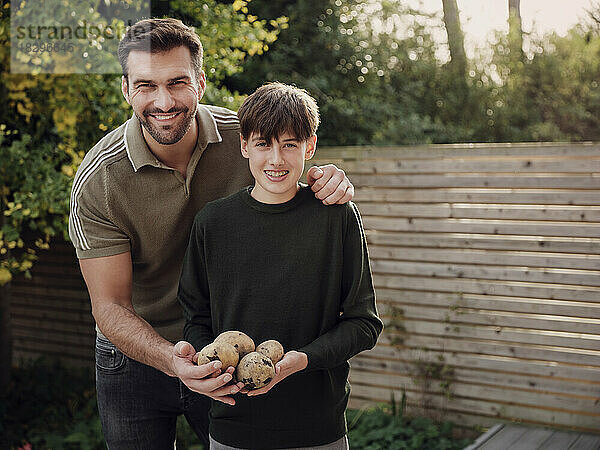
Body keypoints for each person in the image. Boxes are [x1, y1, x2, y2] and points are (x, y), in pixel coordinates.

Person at [68, 18, 355, 449]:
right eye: (146, 85)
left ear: (200, 83)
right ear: (126, 89)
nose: (163, 101)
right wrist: (173, 360)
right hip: (136, 357)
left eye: (177, 82)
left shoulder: (246, 138)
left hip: (229, 351)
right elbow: (109, 306)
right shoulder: (99, 181)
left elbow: (288, 170)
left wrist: (327, 180)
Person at [177, 82, 383, 449]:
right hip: (233, 427)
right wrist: (209, 362)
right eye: (263, 144)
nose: (276, 159)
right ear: (244, 146)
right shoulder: (213, 222)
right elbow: (197, 317)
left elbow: (363, 324)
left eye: (290, 144)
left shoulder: (336, 218)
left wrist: (301, 360)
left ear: (310, 146)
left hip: (318, 428)